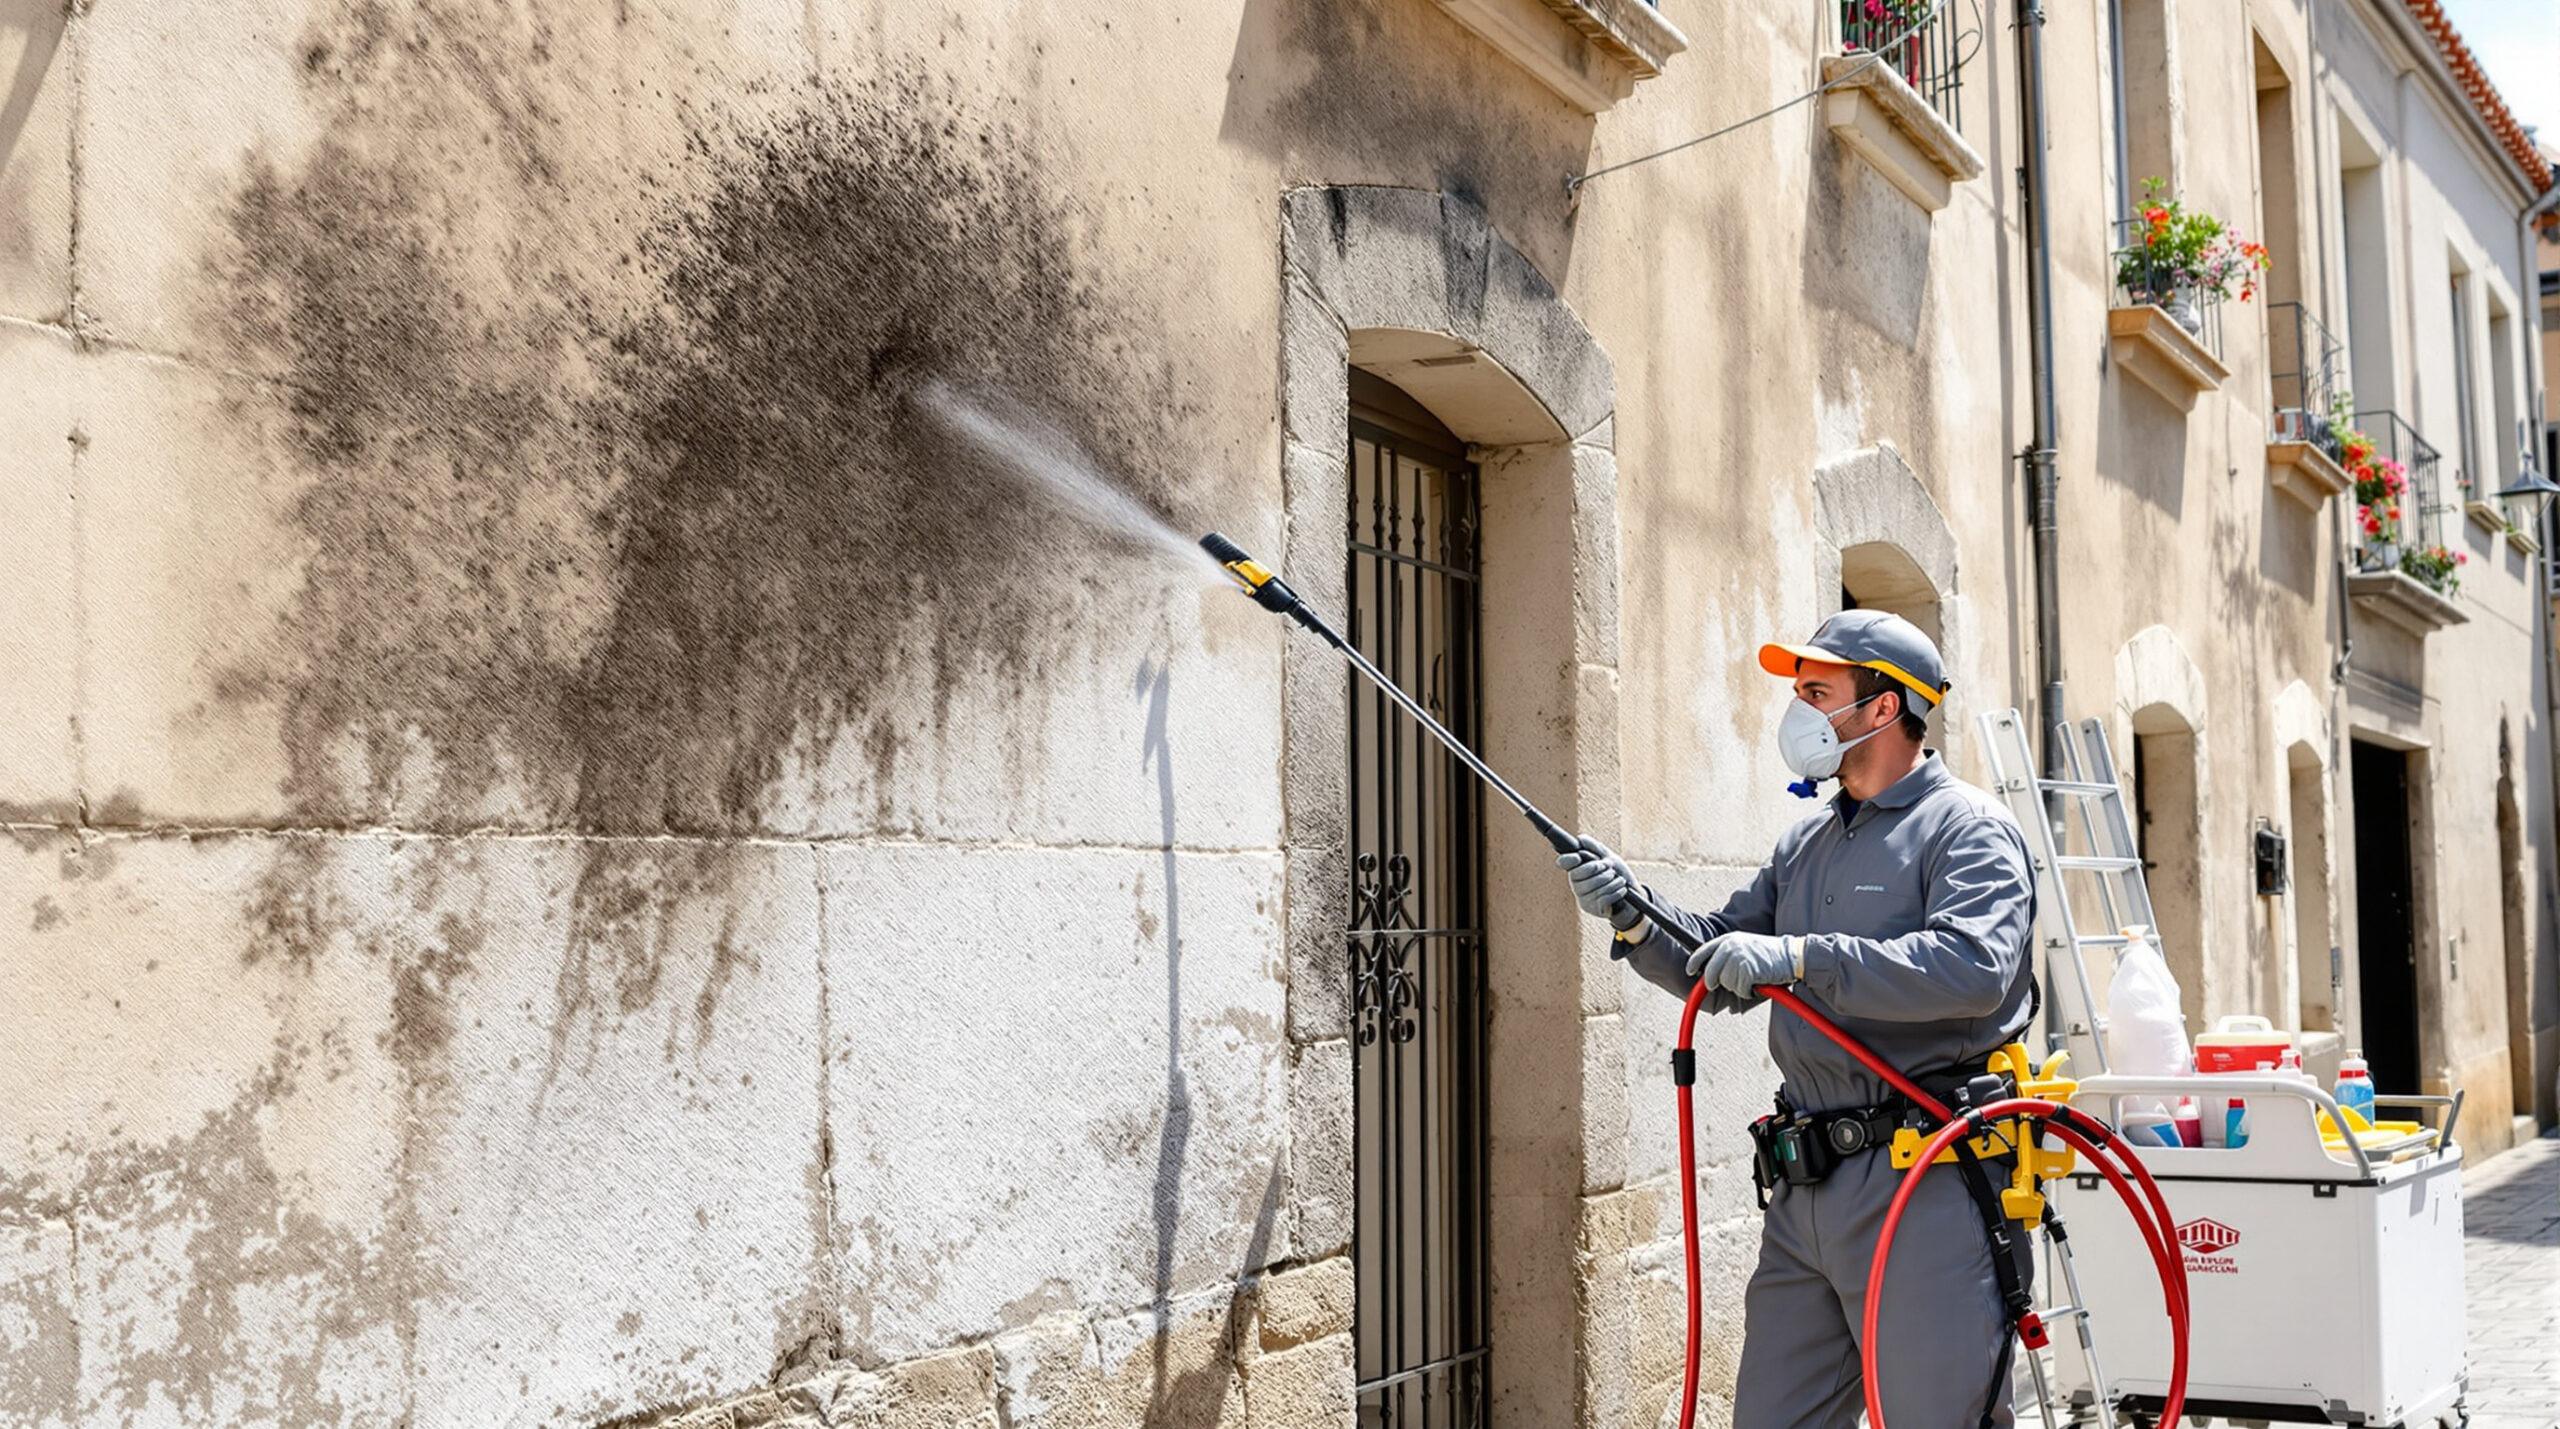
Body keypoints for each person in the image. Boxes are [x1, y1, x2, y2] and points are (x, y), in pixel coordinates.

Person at [1561, 609, 2039, 1429]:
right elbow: (1716, 957)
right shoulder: (1806, 845)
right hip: (1805, 1187)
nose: (1798, 710)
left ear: (1883, 708)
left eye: (1818, 691)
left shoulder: (1968, 829)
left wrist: (1804, 956)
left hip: (1924, 1180)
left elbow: (1973, 969)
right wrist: (1635, 915)